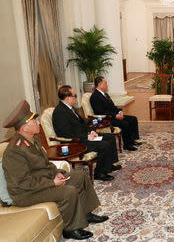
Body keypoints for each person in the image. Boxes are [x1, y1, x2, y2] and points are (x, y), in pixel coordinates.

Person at [2, 100, 109, 240]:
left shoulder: (33, 140)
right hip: (25, 194)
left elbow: (45, 164)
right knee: (68, 191)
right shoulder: (14, 151)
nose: (38, 123)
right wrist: (52, 182)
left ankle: (86, 213)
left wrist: (58, 173)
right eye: (34, 121)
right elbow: (22, 183)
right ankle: (70, 229)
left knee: (79, 176)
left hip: (41, 182)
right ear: (24, 127)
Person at [52, 85, 120, 181]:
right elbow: (66, 134)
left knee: (110, 137)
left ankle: (108, 165)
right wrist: (87, 136)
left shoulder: (69, 108)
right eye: (74, 95)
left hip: (83, 136)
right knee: (104, 145)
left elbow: (82, 123)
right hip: (76, 142)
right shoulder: (60, 112)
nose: (76, 97)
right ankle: (99, 173)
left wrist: (91, 131)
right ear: (67, 98)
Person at [90, 76, 141, 151]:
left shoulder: (105, 94)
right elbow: (101, 112)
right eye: (105, 83)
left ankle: (132, 140)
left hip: (113, 115)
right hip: (106, 119)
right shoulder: (95, 96)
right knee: (125, 123)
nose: (107, 85)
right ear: (100, 84)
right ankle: (127, 145)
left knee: (133, 119)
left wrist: (119, 112)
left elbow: (113, 106)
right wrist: (115, 116)